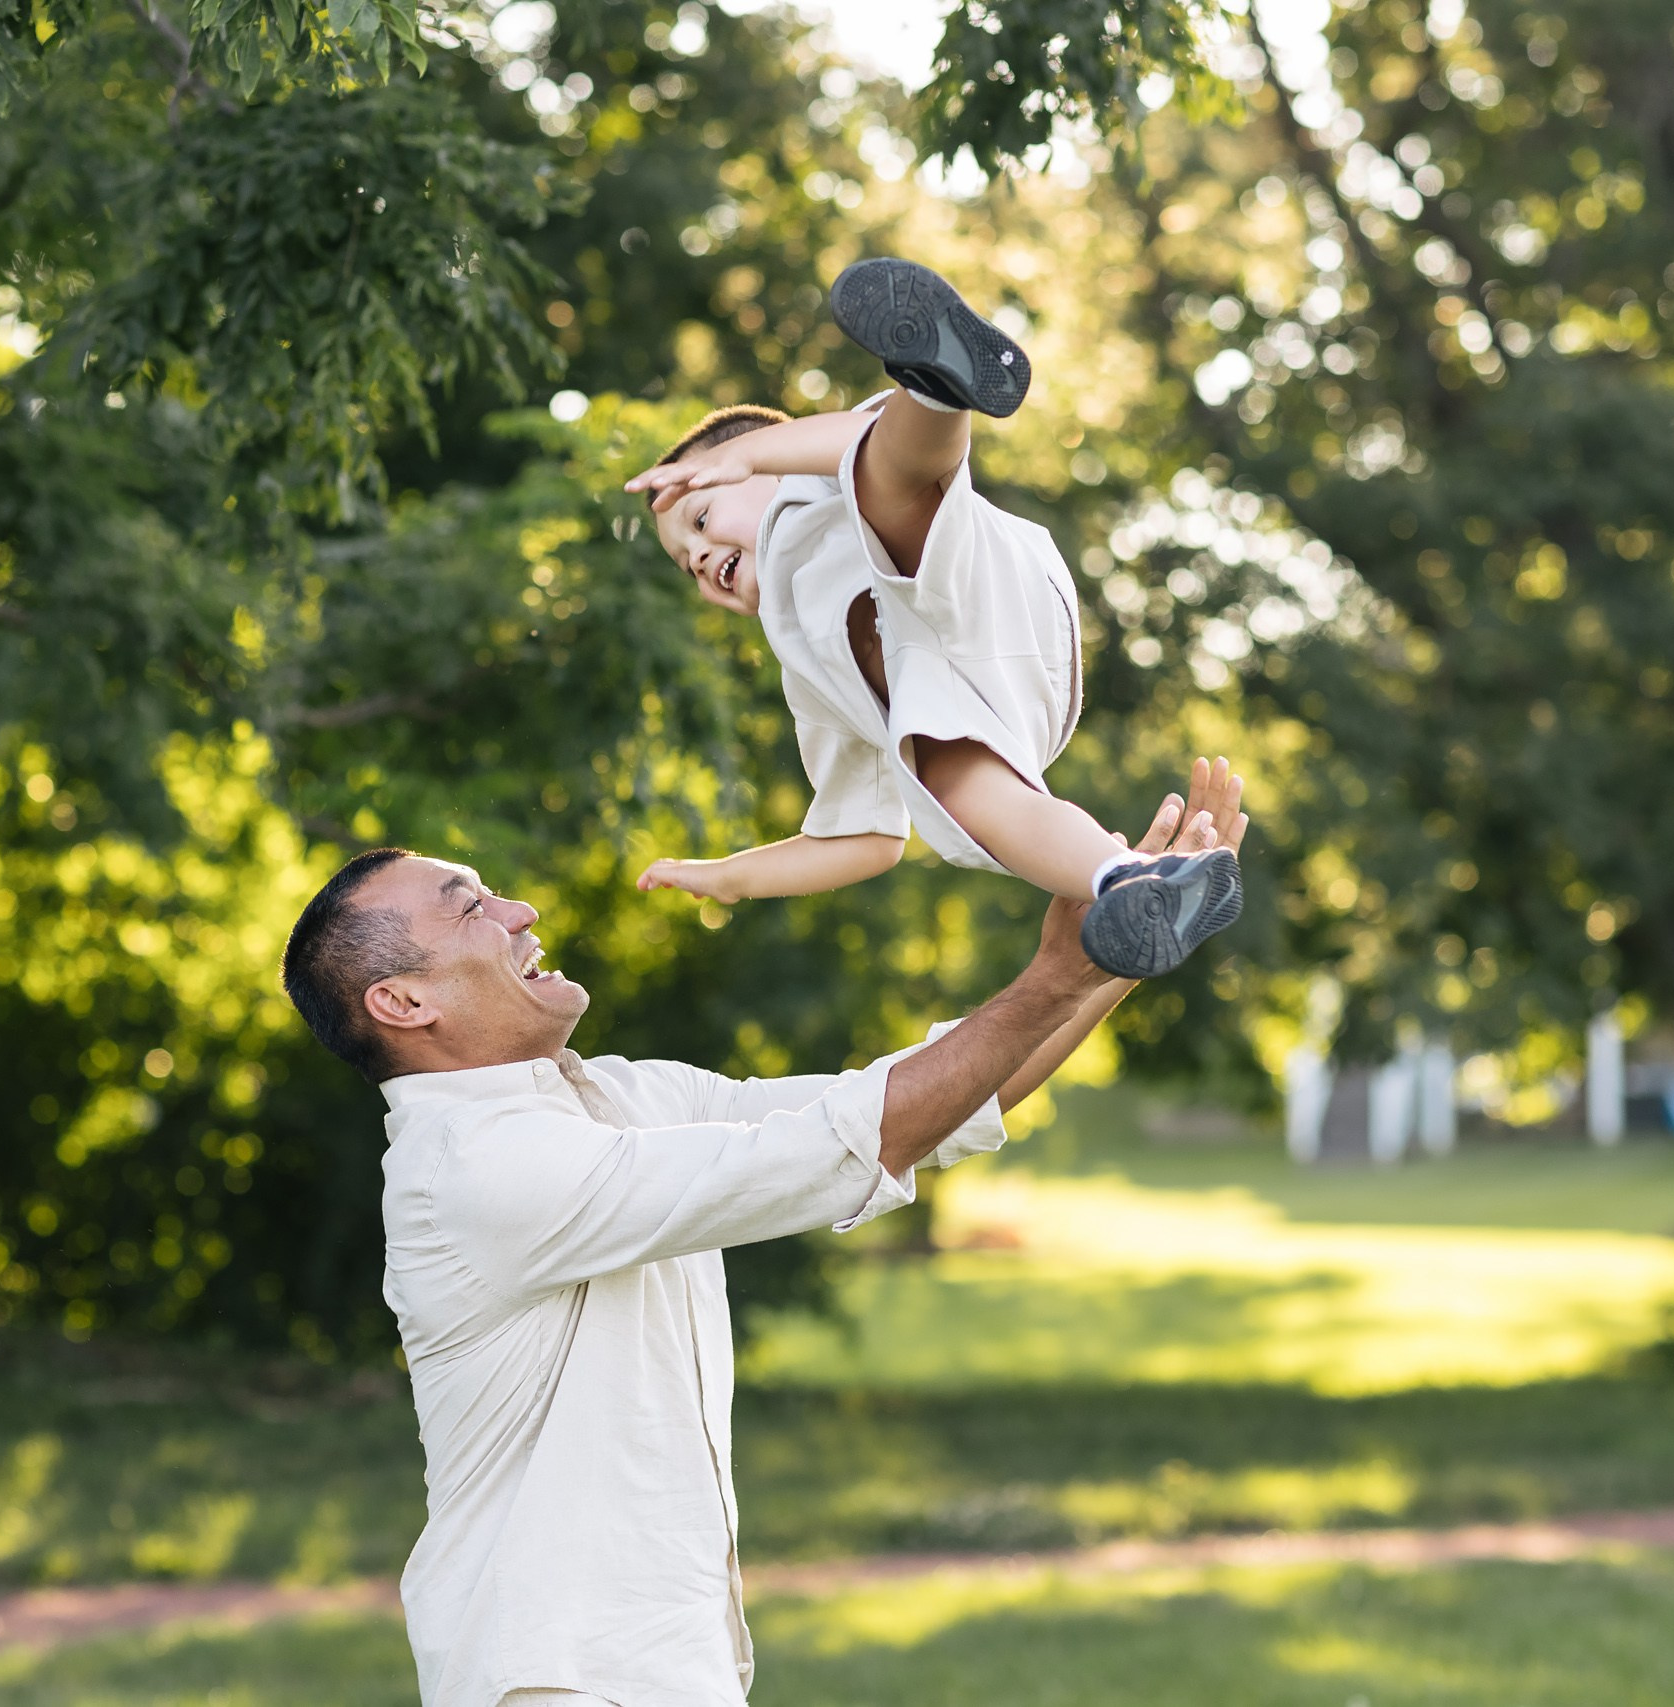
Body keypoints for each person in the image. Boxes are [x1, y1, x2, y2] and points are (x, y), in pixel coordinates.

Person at [280, 763, 1245, 1707]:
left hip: (666, 1666)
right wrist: (1051, 977)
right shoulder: (471, 1168)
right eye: (470, 908)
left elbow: (901, 1110)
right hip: (553, 1673)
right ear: (403, 1002)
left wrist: (1111, 958)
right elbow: (846, 1143)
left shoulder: (625, 1094)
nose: (520, 912)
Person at [626, 256, 1247, 980]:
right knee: (953, 788)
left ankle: (938, 386)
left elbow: (840, 447)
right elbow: (866, 838)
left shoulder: (802, 491)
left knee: (885, 483)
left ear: (760, 467)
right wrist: (733, 877)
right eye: (685, 562)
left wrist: (747, 451)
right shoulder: (806, 669)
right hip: (999, 701)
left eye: (699, 516)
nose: (699, 555)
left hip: (980, 581)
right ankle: (1129, 881)